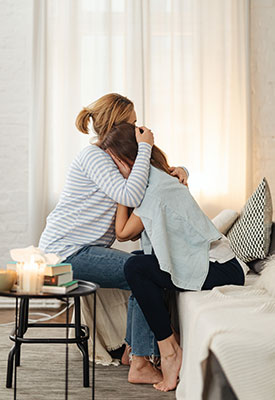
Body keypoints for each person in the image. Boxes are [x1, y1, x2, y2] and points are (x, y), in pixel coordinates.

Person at [39, 93, 188, 384]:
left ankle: (133, 351)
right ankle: (141, 363)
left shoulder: (111, 157)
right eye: (133, 124)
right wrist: (145, 148)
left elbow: (146, 180)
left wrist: (181, 170)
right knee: (144, 274)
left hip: (81, 251)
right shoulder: (92, 156)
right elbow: (130, 194)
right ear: (118, 126)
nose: (138, 130)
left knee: (143, 267)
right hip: (65, 255)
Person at [100, 122, 245, 392]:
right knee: (141, 265)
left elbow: (122, 232)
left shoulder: (154, 188)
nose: (112, 169)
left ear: (128, 159)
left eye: (114, 162)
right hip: (211, 263)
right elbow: (134, 233)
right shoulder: (153, 180)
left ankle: (169, 352)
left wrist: (123, 190)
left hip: (221, 268)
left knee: (136, 267)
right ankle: (145, 348)